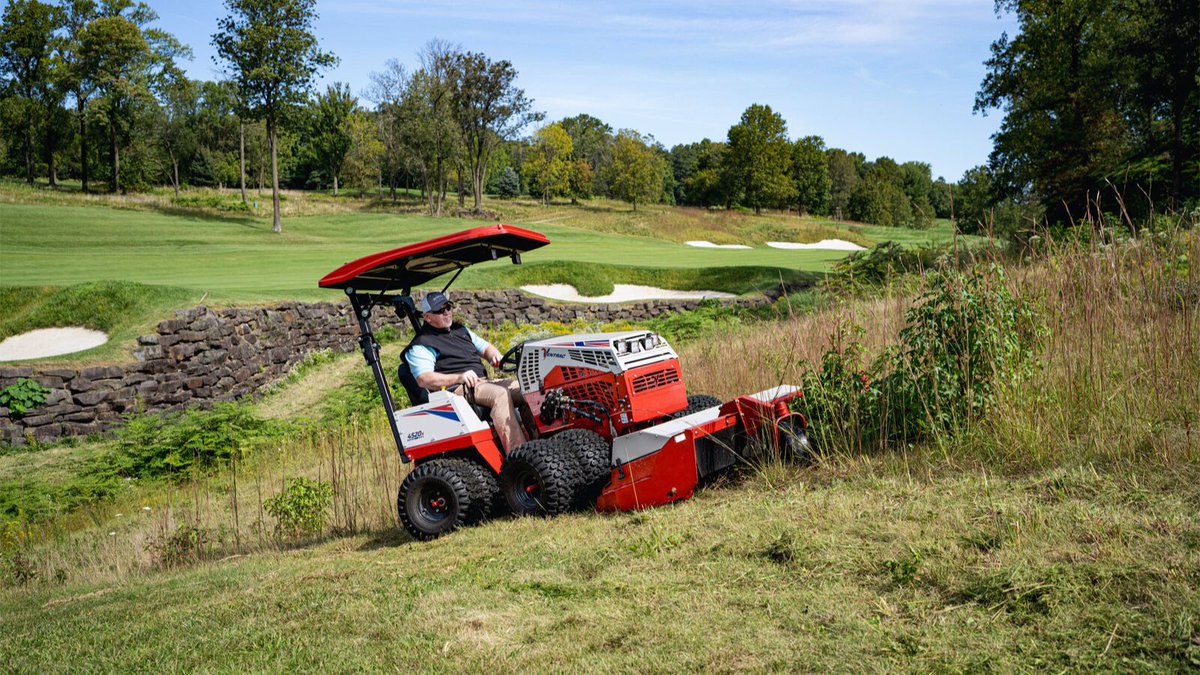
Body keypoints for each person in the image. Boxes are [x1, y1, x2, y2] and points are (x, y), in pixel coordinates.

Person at [406, 291, 529, 453]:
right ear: (427, 317)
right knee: (499, 394)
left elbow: (485, 348)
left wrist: (494, 356)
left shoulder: (460, 330)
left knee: (526, 388)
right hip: (456, 390)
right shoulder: (421, 344)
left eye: (448, 307)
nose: (447, 313)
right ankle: (519, 454)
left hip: (483, 383)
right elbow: (424, 379)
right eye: (441, 310)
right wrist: (459, 377)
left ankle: (539, 441)